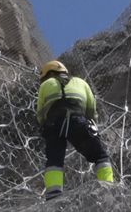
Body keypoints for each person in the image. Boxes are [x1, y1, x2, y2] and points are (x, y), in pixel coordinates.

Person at [35, 59, 114, 197]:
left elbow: (40, 114)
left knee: (54, 159)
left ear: (48, 74)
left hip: (53, 124)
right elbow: (91, 110)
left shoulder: (45, 85)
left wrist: (45, 127)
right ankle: (108, 187)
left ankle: (53, 193)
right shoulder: (81, 83)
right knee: (100, 156)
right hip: (78, 120)